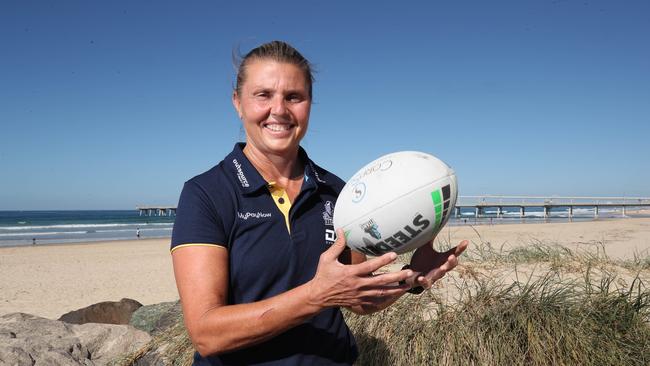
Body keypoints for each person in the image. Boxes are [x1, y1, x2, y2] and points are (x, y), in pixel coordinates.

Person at [171, 40, 468, 366]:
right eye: (263, 95)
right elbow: (206, 333)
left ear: (309, 105)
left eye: (293, 97)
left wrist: (411, 277)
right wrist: (316, 296)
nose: (279, 110)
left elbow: (359, 299)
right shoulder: (207, 193)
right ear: (237, 103)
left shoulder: (338, 193)